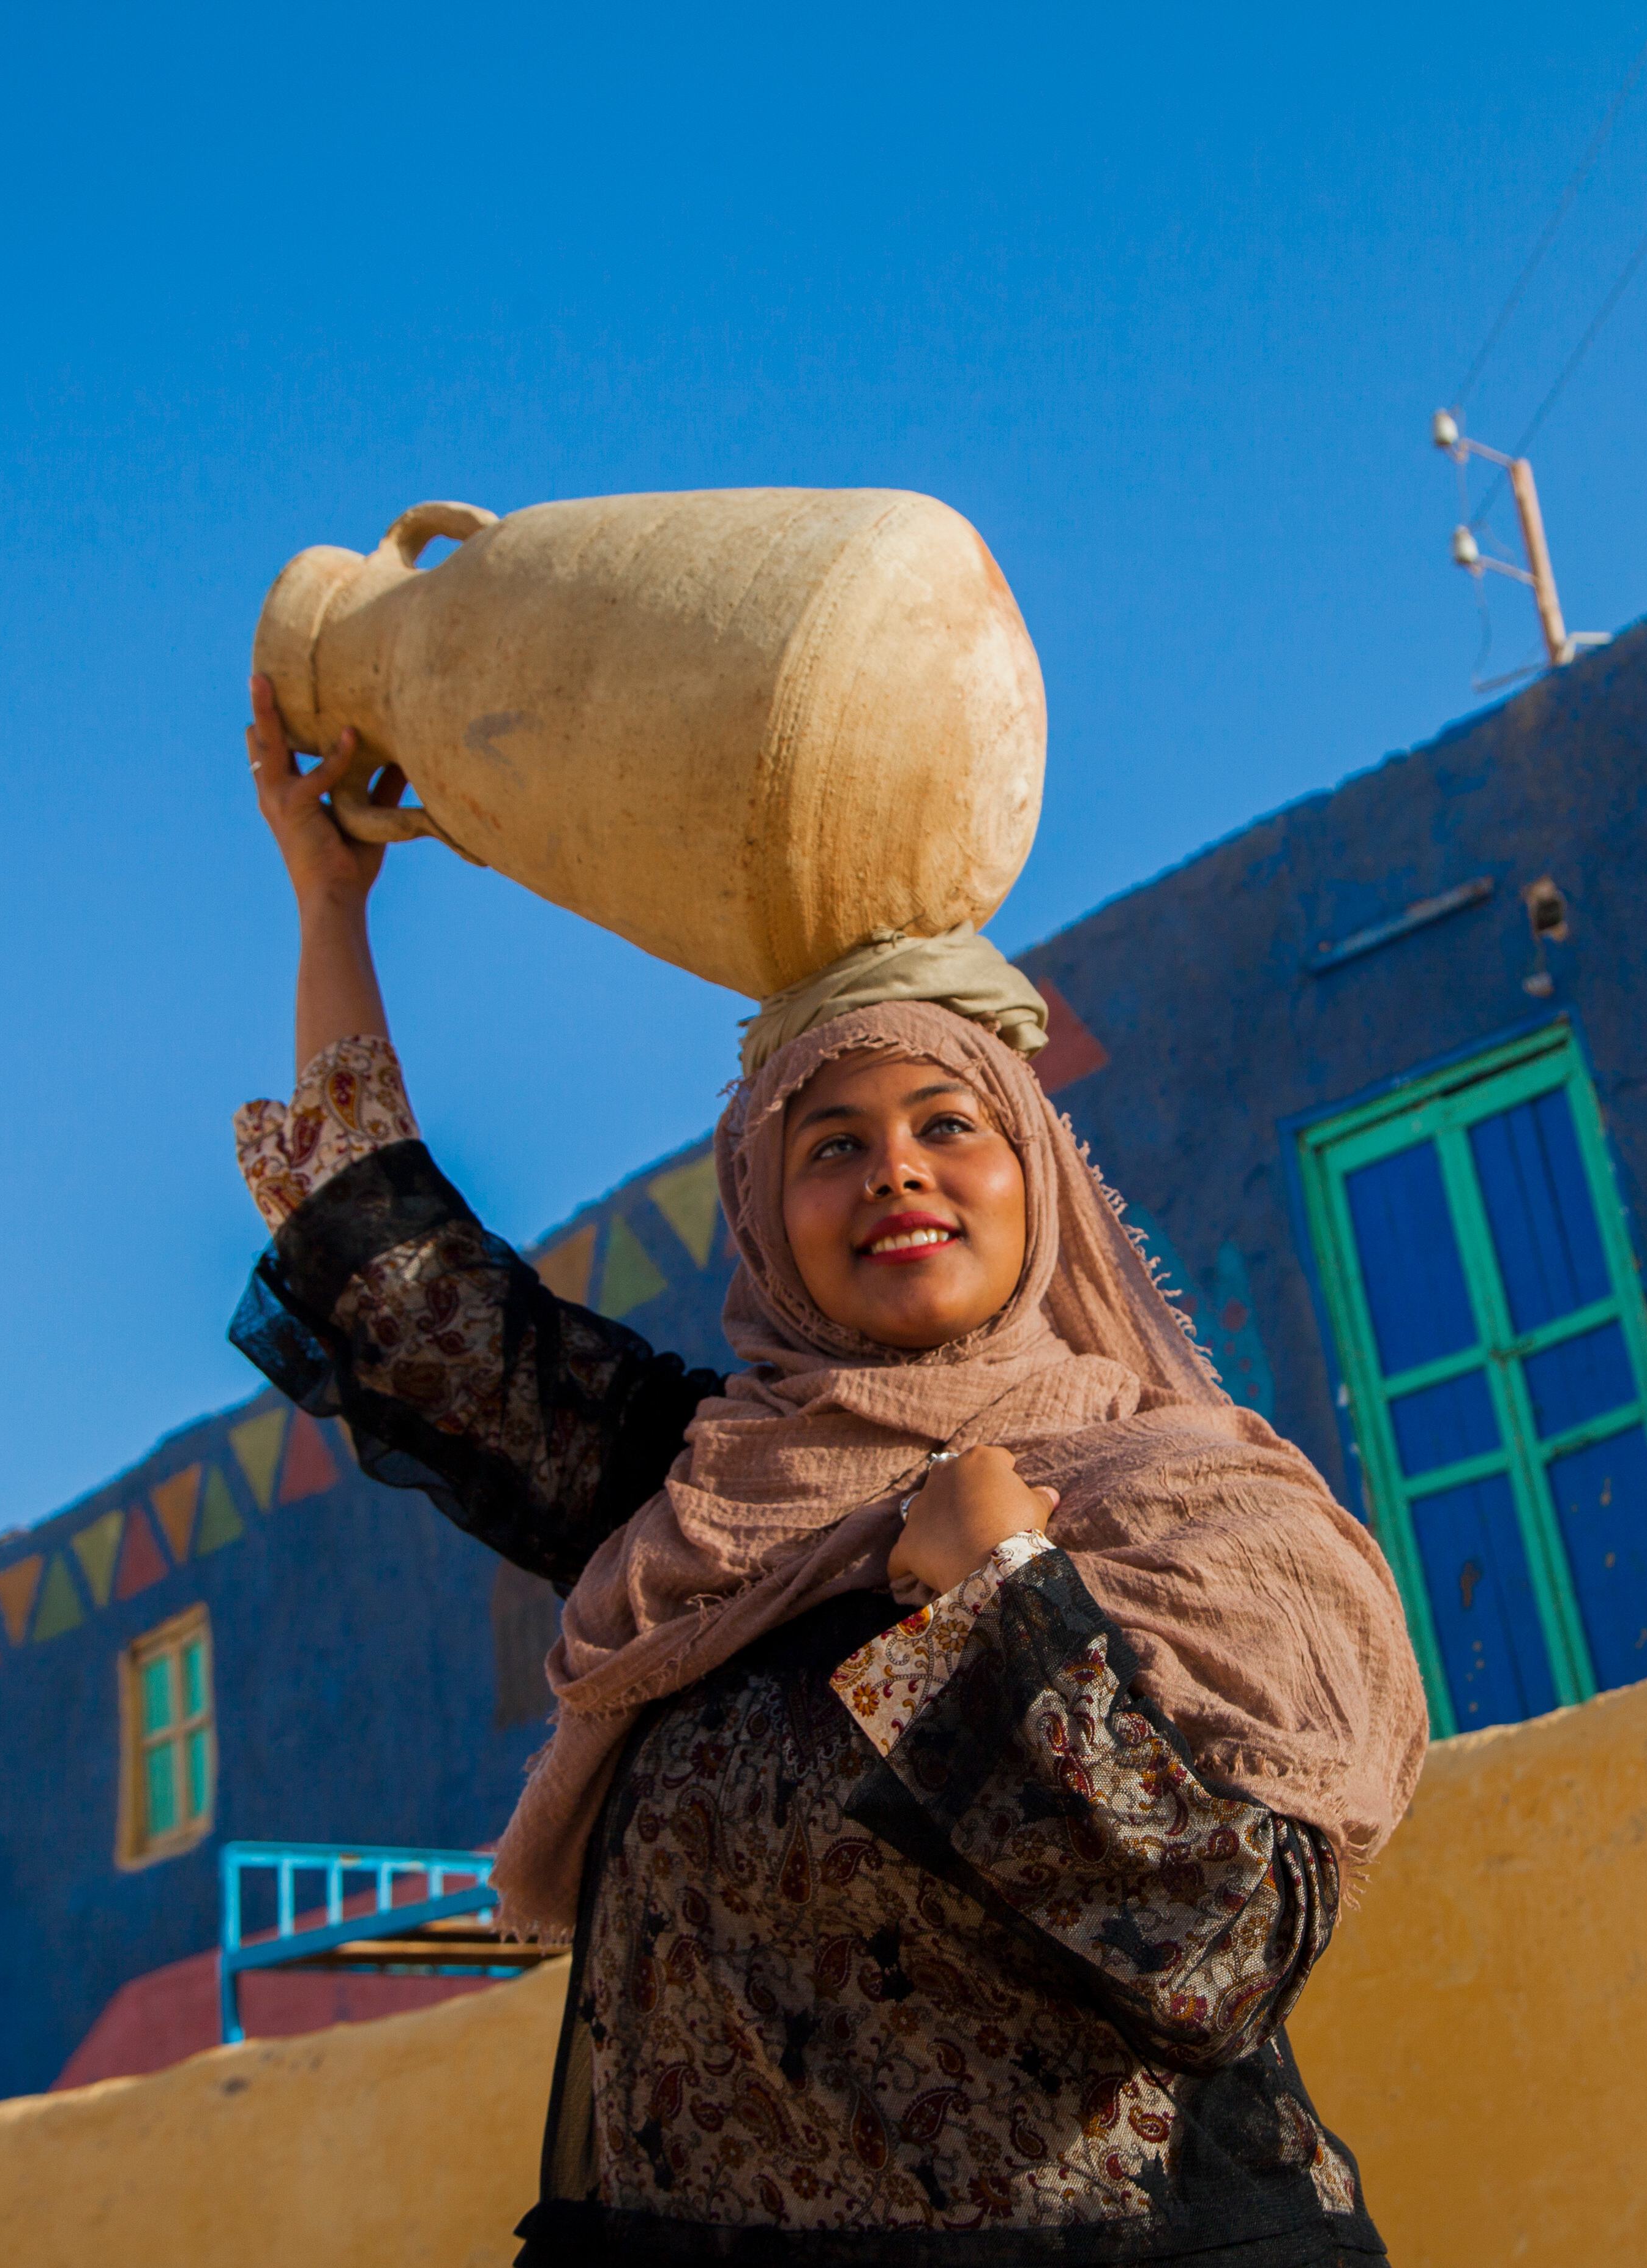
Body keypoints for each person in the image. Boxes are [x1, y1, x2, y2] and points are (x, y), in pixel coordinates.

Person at [226, 681, 1428, 2266]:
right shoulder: (715, 1498)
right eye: (831, 1143)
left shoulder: (1190, 1503)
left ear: (1038, 1179)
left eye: (949, 1122)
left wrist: (1003, 1603)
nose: (899, 1170)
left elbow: (1216, 1939)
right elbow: (427, 1308)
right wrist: (331, 900)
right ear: (765, 1215)